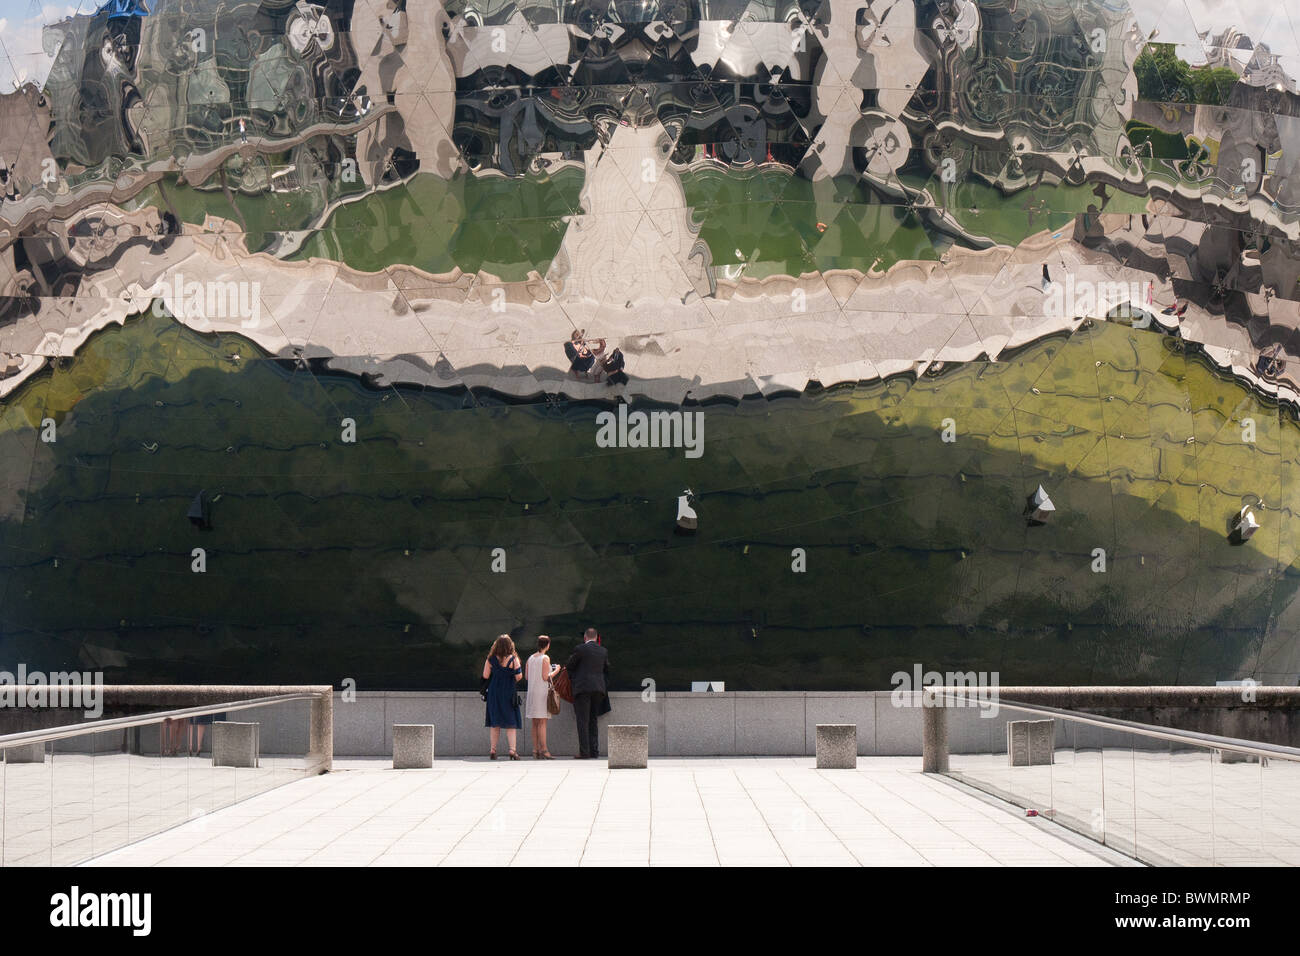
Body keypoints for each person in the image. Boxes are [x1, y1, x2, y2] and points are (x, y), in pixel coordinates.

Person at [566, 627, 610, 759]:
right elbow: (607, 668)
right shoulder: (603, 651)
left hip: (583, 688)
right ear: (596, 638)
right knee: (593, 720)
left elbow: (570, 665)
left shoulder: (580, 649)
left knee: (582, 721)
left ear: (585, 637)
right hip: (598, 689)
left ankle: (584, 752)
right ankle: (594, 751)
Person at [483, 634, 523, 759]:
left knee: (495, 723)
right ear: (510, 645)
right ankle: (512, 750)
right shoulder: (513, 659)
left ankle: (493, 750)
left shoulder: (490, 659)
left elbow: (485, 675)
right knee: (511, 722)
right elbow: (519, 677)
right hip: (508, 693)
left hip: (494, 693)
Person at [525, 636, 561, 759]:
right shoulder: (545, 658)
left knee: (534, 722)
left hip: (532, 692)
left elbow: (527, 676)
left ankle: (535, 750)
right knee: (542, 722)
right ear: (547, 645)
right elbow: (546, 677)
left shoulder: (530, 658)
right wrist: (557, 670)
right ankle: (544, 750)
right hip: (541, 693)